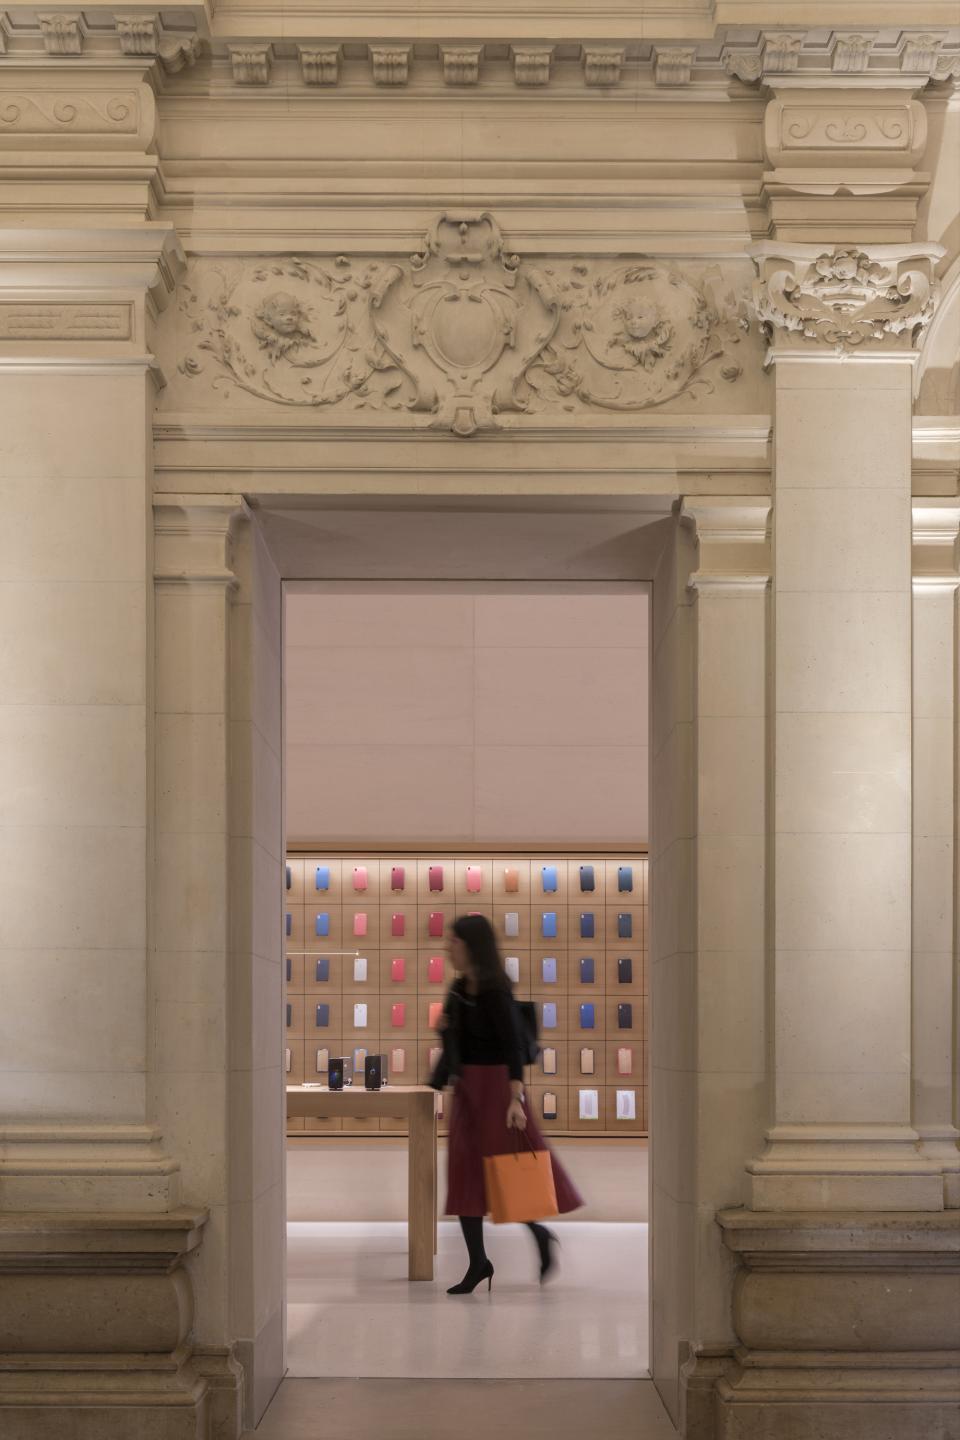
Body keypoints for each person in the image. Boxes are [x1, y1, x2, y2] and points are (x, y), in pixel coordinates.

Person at [432, 913, 584, 1295]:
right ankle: (478, 1264)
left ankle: (539, 1234)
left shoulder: (496, 990)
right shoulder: (457, 988)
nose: (448, 947)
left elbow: (514, 1047)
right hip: (467, 1090)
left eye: (454, 941)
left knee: (509, 1175)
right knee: (464, 1173)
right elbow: (452, 1043)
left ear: (472, 946)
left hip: (498, 1090)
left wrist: (515, 1099)